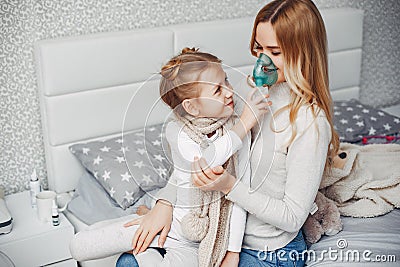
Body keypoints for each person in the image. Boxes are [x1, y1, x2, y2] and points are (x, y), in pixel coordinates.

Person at [123, 0, 340, 266]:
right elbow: (197, 151)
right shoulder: (242, 90)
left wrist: (228, 186)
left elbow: (292, 216)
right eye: (259, 47)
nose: (262, 60)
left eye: (275, 51)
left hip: (268, 251)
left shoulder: (310, 123)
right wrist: (164, 203)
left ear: (303, 53)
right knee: (130, 262)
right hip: (214, 234)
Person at [70, 48, 270, 267]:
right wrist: (244, 124)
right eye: (217, 90)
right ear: (192, 107)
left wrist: (233, 251)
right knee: (80, 247)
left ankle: (141, 250)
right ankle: (136, 228)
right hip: (173, 221)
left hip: (195, 241)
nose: (230, 92)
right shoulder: (178, 131)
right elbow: (205, 163)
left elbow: (238, 196)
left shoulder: (235, 132)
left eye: (227, 81)